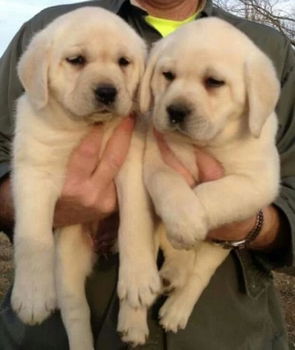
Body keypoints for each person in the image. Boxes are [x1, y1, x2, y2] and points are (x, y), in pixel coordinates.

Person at [0, 0, 294, 349]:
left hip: (227, 333)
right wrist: (19, 200)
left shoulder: (271, 51)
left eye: (214, 81)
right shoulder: (48, 28)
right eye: (167, 76)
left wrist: (249, 223)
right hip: (54, 329)